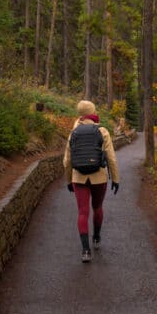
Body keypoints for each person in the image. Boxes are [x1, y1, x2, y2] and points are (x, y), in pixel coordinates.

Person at [63, 99, 119, 263]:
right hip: (99, 177)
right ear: (93, 113)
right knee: (97, 207)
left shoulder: (73, 133)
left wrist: (68, 180)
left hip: (79, 177)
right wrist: (115, 178)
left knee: (82, 212)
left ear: (80, 114)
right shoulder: (102, 131)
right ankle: (96, 237)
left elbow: (67, 161)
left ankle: (86, 251)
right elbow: (111, 158)